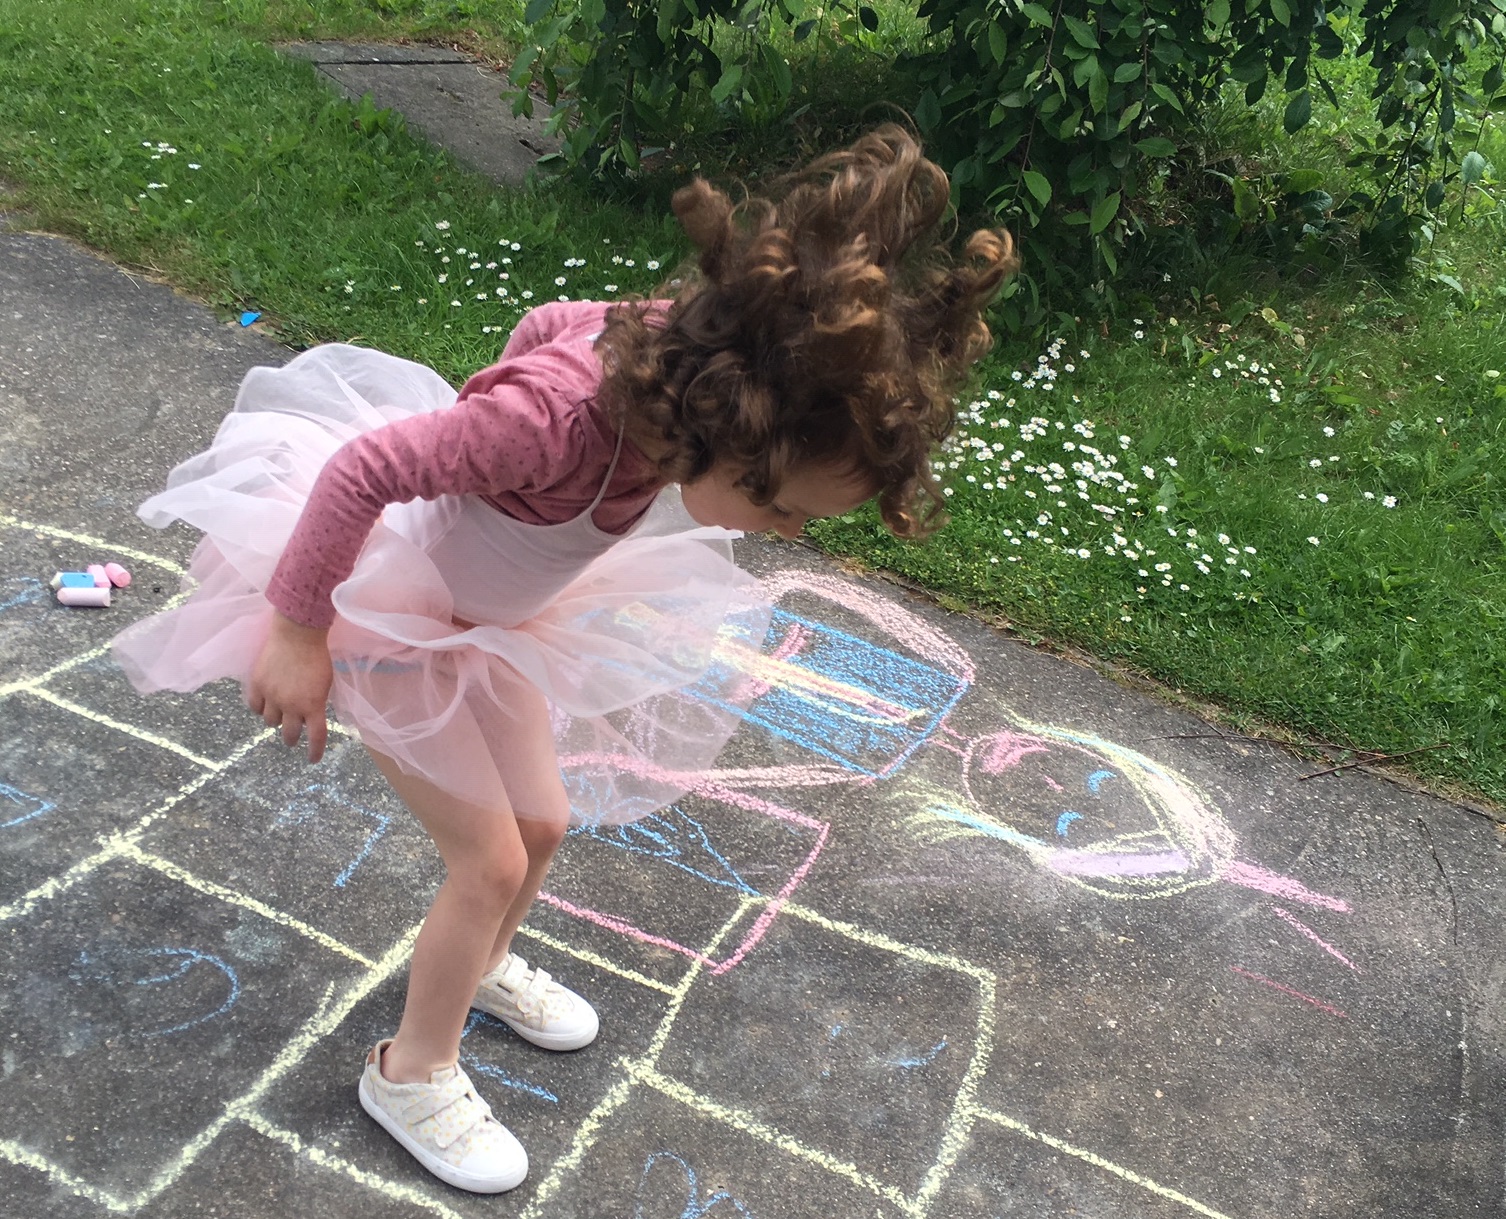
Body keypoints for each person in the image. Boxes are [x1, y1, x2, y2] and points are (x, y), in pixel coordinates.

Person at [111, 123, 1018, 1194]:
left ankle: (484, 965)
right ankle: (411, 1071)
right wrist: (301, 631)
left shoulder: (672, 358)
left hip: (491, 618)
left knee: (542, 821)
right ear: (730, 430)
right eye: (784, 509)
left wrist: (505, 393)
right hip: (390, 616)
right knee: (488, 861)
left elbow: (551, 322)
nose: (786, 534)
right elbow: (363, 469)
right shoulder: (546, 427)